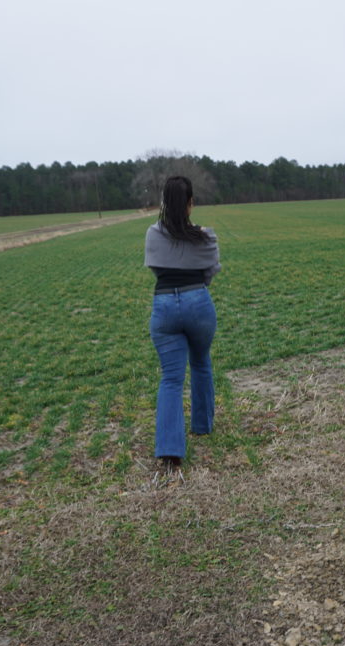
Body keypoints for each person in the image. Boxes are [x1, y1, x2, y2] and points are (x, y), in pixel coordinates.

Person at [144, 176, 221, 478]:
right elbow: (210, 272)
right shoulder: (206, 237)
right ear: (190, 203)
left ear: (164, 202)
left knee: (172, 379)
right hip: (199, 302)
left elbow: (155, 268)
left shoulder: (152, 234)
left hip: (164, 306)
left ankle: (170, 451)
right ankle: (202, 426)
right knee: (201, 362)